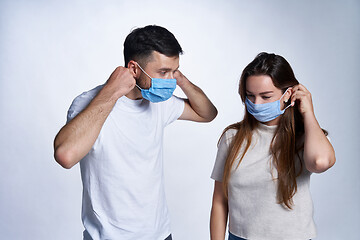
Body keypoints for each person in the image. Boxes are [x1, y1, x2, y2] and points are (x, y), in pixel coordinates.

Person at [53, 25, 217, 240]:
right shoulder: (89, 103)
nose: (170, 81)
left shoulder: (159, 102)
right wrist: (111, 93)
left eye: (173, 71)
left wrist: (181, 79)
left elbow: (207, 113)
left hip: (160, 235)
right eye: (163, 72)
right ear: (134, 68)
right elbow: (66, 155)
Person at [210, 52, 335, 240]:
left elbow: (320, 162)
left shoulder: (307, 137)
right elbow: (220, 200)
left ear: (288, 94)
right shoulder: (232, 138)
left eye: (265, 96)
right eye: (250, 96)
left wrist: (308, 111)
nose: (256, 103)